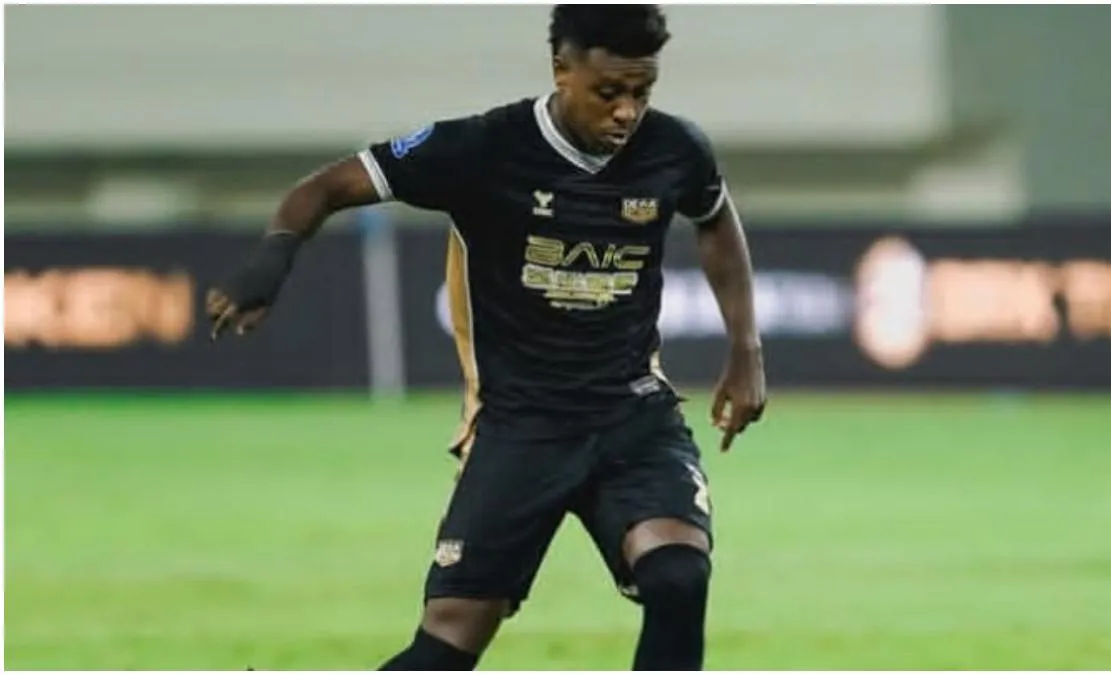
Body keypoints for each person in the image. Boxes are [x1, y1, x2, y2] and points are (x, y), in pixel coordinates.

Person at [206, 5, 766, 670]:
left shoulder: (675, 148)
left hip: (632, 415)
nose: (626, 112)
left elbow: (714, 217)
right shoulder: (481, 148)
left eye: (642, 92)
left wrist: (745, 351)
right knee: (448, 642)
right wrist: (271, 262)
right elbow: (327, 187)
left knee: (679, 578)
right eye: (608, 92)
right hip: (519, 424)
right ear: (561, 69)